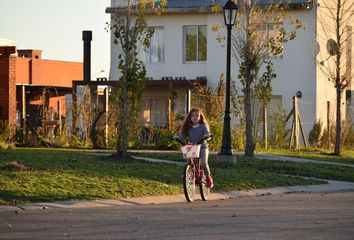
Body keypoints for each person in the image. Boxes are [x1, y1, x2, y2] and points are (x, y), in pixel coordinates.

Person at [177, 108, 213, 188]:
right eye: (192, 115)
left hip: (203, 147)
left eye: (197, 115)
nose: (194, 117)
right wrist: (178, 138)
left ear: (200, 117)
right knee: (189, 161)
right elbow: (182, 137)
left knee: (203, 162)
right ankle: (189, 174)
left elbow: (207, 134)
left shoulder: (203, 126)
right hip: (193, 147)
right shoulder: (188, 127)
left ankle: (208, 177)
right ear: (190, 117)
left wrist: (207, 137)